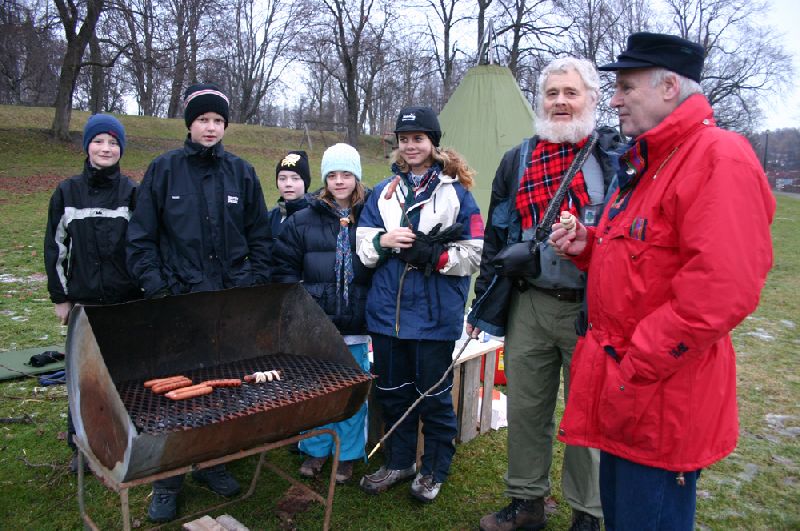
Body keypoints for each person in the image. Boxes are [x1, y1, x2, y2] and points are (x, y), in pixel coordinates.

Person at [548, 33, 775, 530]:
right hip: (628, 393)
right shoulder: (652, 161)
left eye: (626, 87)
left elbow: (721, 291)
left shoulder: (717, 158)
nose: (614, 100)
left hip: (659, 396)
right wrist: (589, 246)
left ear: (669, 86)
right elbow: (647, 256)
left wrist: (637, 364)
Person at [470, 57, 621, 531]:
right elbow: (497, 235)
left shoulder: (614, 159)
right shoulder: (517, 159)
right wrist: (484, 301)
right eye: (552, 93)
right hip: (529, 305)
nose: (560, 102)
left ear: (592, 99)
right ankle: (526, 502)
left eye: (570, 93)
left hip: (591, 311)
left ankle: (587, 513)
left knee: (588, 417)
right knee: (526, 409)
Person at [127, 82, 272, 523]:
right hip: (178, 302)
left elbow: (260, 237)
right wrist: (159, 290)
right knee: (175, 395)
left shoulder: (241, 173)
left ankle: (213, 463)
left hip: (228, 304)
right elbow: (141, 239)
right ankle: (167, 481)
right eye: (203, 120)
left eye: (218, 120)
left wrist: (251, 284)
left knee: (223, 388)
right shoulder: (164, 170)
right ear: (189, 124)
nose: (210, 127)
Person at [356, 106, 484, 503]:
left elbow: (477, 253)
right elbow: (362, 245)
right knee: (393, 392)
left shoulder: (456, 193)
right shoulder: (384, 191)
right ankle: (399, 462)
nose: (410, 146)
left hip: (434, 314)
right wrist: (383, 242)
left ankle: (433, 469)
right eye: (404, 139)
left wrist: (436, 256)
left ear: (433, 142)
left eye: (418, 138)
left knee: (433, 397)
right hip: (388, 314)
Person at [43, 113, 140, 473]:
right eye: (99, 141)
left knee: (126, 371)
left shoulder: (131, 192)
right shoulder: (67, 192)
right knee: (85, 377)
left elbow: (142, 246)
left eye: (113, 142)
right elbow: (55, 248)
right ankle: (82, 445)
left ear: (121, 149)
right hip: (84, 302)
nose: (106, 148)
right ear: (87, 146)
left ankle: (127, 436)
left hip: (125, 299)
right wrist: (60, 297)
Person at [272, 143, 372, 484]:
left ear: (356, 177)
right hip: (316, 324)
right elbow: (284, 269)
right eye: (332, 175)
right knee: (314, 390)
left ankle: (347, 453)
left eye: (346, 174)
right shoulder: (303, 220)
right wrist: (299, 309)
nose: (339, 181)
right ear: (324, 178)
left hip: (356, 322)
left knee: (351, 393)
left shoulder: (371, 217)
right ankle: (315, 448)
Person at [267, 150, 312, 255]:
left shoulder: (317, 217)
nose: (288, 184)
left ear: (305, 182)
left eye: (295, 178)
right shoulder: (270, 218)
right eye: (282, 178)